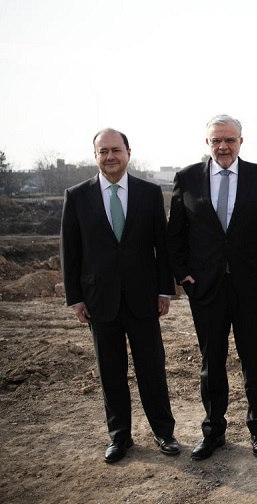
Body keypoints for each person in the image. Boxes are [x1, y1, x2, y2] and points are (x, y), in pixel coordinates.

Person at [167, 114, 257, 460]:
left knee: (254, 363)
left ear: (241, 142)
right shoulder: (187, 178)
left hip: (251, 288)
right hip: (206, 288)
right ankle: (214, 431)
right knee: (211, 363)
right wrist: (183, 274)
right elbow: (175, 233)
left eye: (230, 140)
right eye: (216, 140)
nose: (223, 146)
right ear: (207, 143)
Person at [60, 128, 178, 463]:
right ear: (95, 155)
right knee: (110, 372)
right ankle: (119, 437)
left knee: (152, 369)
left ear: (128, 152)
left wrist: (163, 289)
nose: (110, 156)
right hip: (100, 301)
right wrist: (75, 298)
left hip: (143, 298)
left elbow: (161, 245)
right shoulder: (77, 195)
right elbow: (70, 250)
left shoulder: (149, 192)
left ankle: (164, 433)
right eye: (103, 151)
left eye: (116, 150)